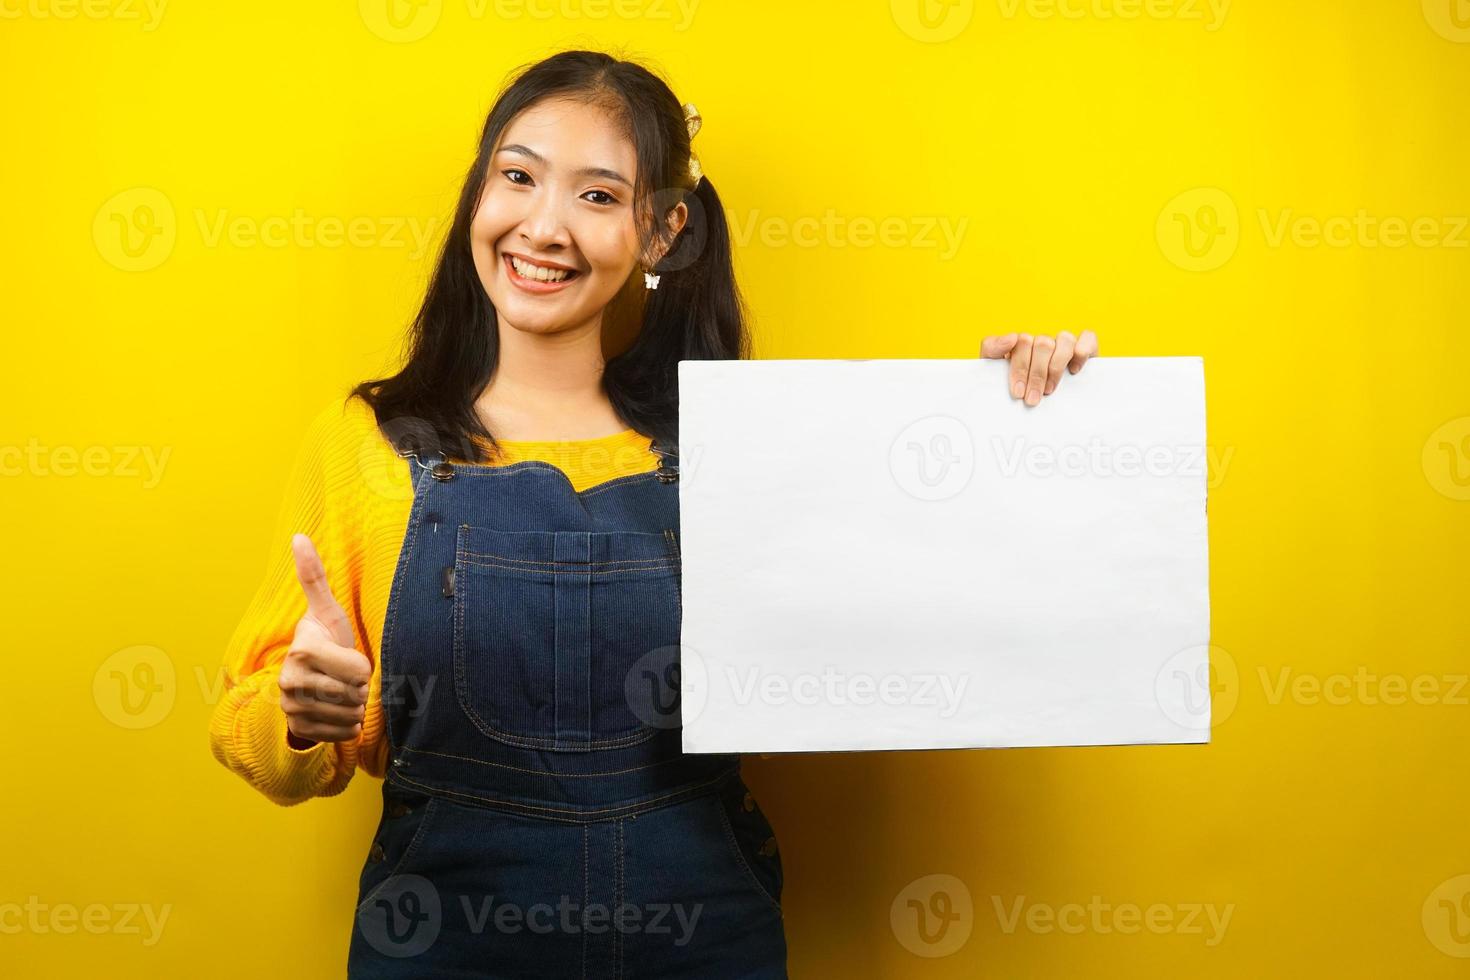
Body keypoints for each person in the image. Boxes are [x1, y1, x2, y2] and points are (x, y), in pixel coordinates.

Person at [207, 48, 1097, 978]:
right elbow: (255, 736)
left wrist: (1034, 419)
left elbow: (916, 607)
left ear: (663, 232)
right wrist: (302, 714)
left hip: (706, 945)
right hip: (444, 948)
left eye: (596, 196)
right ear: (481, 194)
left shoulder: (738, 447)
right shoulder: (369, 444)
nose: (542, 227)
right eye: (517, 178)